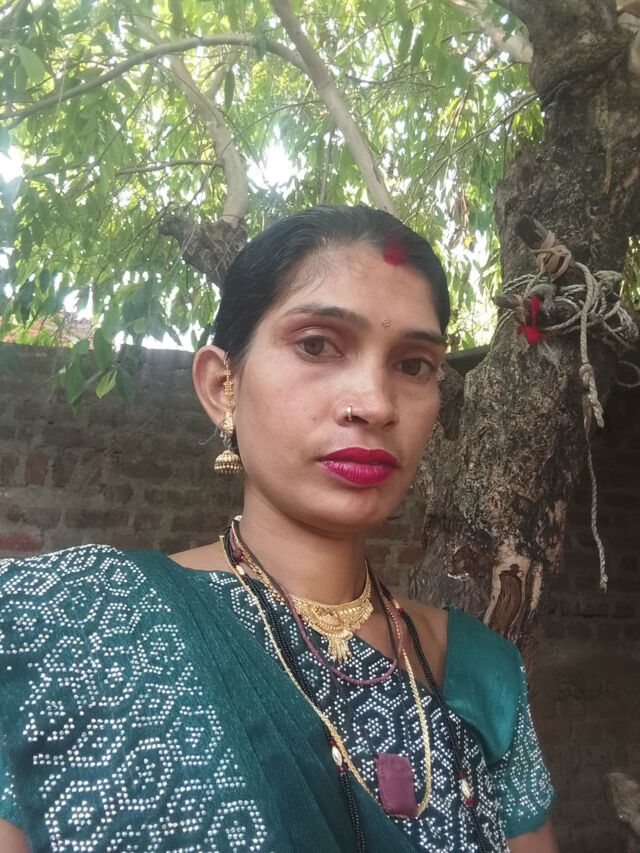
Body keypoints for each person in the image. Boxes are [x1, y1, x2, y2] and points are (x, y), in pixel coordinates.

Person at [0, 205, 557, 852]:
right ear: (222, 387)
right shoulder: (68, 621)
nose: (375, 404)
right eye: (317, 344)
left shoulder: (482, 671)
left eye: (413, 364)